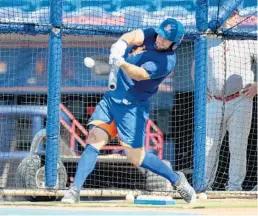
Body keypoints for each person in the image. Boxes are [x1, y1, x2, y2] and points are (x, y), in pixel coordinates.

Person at [61, 18, 196, 203]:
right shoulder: (152, 34)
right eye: (161, 35)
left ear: (174, 44)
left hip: (133, 108)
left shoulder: (167, 61)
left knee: (136, 157)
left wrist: (121, 63)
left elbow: (139, 74)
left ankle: (176, 179)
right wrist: (121, 43)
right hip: (111, 100)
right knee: (94, 140)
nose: (160, 39)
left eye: (166, 39)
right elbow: (133, 36)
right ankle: (74, 190)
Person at [204, 10, 257, 191]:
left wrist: (257, 85)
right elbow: (197, 65)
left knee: (238, 146)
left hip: (240, 100)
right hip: (214, 101)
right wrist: (201, 87)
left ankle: (234, 188)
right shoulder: (209, 38)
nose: (229, 17)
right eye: (226, 13)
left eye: (233, 13)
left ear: (237, 15)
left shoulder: (247, 39)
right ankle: (204, 186)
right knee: (208, 146)